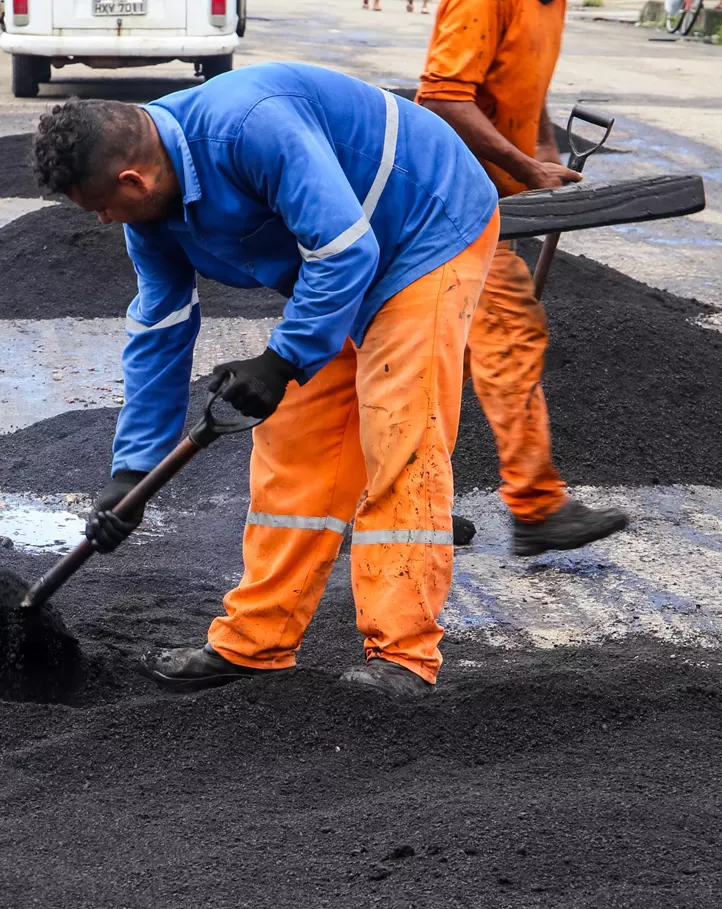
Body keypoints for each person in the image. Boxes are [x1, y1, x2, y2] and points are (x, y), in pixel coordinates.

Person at [31, 63, 501, 699]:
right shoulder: (152, 215)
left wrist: (282, 361)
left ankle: (403, 655)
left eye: (102, 207)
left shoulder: (249, 125)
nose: (103, 222)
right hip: (337, 262)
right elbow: (159, 332)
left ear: (132, 179)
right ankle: (257, 641)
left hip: (420, 230)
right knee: (295, 443)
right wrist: (130, 475)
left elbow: (346, 252)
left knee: (399, 433)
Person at [416, 0, 629, 556]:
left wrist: (541, 150)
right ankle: (537, 507)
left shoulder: (549, 4)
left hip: (490, 206)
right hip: (449, 202)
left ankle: (397, 498)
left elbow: (518, 86)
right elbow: (441, 98)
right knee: (510, 334)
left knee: (441, 357)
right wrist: (526, 167)